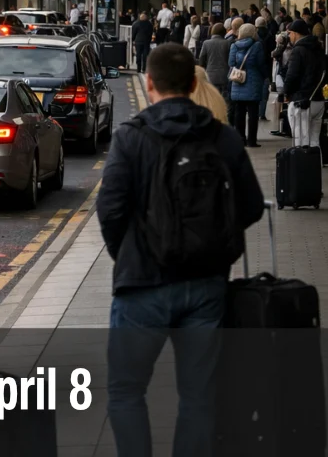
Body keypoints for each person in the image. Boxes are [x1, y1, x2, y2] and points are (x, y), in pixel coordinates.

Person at [99, 44, 264, 457]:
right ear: (193, 83)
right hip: (206, 286)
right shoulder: (223, 138)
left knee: (125, 390)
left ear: (148, 83)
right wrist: (213, 246)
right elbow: (250, 206)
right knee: (198, 396)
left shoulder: (130, 138)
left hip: (142, 286)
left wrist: (131, 253)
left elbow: (111, 209)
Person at [282, 19, 328, 148]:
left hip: (301, 102)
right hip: (318, 99)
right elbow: (326, 74)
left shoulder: (298, 51)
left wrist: (287, 93)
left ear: (296, 33)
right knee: (314, 141)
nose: (289, 36)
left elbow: (291, 76)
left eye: (290, 33)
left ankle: (301, 167)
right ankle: (314, 166)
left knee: (301, 141)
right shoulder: (319, 49)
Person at [228, 23, 267, 147]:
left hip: (238, 80)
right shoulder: (257, 45)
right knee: (253, 113)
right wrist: (264, 75)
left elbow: (231, 62)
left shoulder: (234, 45)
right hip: (253, 81)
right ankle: (251, 140)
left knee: (239, 112)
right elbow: (261, 63)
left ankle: (240, 139)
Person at [198, 23, 231, 104]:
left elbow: (201, 58)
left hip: (210, 75)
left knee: (212, 100)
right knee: (224, 101)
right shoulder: (228, 43)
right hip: (225, 75)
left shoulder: (206, 43)